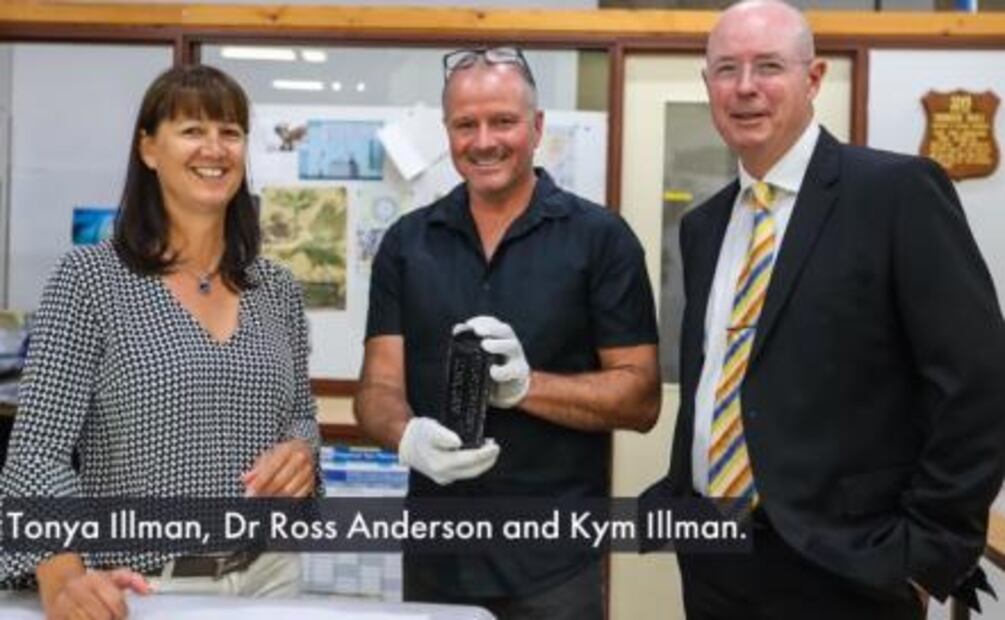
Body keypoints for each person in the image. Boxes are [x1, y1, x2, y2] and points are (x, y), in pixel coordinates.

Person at [642, 2, 1005, 618]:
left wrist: (926, 553)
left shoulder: (895, 195)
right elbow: (720, 378)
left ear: (814, 80)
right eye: (726, 69)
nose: (746, 87)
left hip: (847, 570)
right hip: (714, 556)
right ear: (707, 86)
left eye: (769, 66)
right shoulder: (705, 226)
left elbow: (979, 384)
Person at [0, 65, 320, 618]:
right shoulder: (90, 280)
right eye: (192, 129)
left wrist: (301, 454)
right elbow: (37, 450)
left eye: (230, 131)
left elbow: (302, 417)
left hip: (272, 576)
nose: (214, 147)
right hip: (145, 588)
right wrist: (61, 572)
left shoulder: (277, 288)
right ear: (149, 149)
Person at [354, 46, 661, 619]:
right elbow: (376, 391)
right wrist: (406, 436)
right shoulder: (407, 244)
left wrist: (526, 388)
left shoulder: (601, 240)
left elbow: (641, 398)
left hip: (555, 563)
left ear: (537, 126)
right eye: (466, 124)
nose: (484, 140)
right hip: (436, 555)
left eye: (503, 121)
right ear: (448, 131)